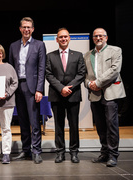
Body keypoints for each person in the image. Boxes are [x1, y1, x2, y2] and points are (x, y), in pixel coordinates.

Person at [84, 28, 126, 167]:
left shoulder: (115, 50)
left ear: (106, 38)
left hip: (110, 94)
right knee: (101, 127)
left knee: (111, 125)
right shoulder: (87, 55)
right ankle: (105, 152)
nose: (98, 38)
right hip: (95, 94)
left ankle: (113, 155)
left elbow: (114, 70)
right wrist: (89, 84)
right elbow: (84, 76)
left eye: (101, 36)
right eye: (95, 36)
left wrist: (98, 83)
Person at [45, 28, 86, 163]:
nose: (63, 39)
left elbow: (81, 74)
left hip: (73, 95)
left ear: (69, 38)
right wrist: (61, 88)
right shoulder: (50, 56)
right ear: (56, 39)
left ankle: (74, 152)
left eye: (65, 37)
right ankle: (60, 152)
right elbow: (49, 74)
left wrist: (69, 87)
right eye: (60, 37)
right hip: (57, 95)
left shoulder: (78, 55)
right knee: (58, 125)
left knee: (74, 125)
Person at [9, 17, 46, 164]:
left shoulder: (39, 45)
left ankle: (36, 151)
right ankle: (26, 151)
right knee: (23, 121)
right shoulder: (13, 46)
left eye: (29, 27)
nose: (26, 29)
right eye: (24, 27)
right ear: (20, 29)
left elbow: (41, 68)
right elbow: (11, 69)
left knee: (34, 121)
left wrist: (39, 89)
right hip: (18, 87)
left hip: (32, 88)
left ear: (33, 29)